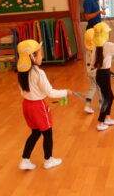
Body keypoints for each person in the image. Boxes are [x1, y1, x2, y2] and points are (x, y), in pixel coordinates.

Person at [16, 40, 72, 170]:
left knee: (35, 132)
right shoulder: (38, 73)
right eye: (39, 53)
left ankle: (25, 160)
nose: (42, 56)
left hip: (27, 105)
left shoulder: (21, 72)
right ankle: (48, 160)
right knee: (47, 133)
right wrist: (65, 92)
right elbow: (50, 92)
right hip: (38, 106)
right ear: (32, 57)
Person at [83, 0, 114, 78]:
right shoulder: (88, 1)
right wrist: (99, 12)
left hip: (98, 29)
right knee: (96, 52)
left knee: (101, 51)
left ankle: (105, 71)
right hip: (92, 29)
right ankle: (99, 72)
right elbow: (87, 17)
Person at [83, 28, 101, 114]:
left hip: (89, 72)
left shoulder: (87, 51)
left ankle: (87, 105)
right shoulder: (96, 51)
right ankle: (101, 104)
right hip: (96, 72)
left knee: (92, 88)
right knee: (100, 88)